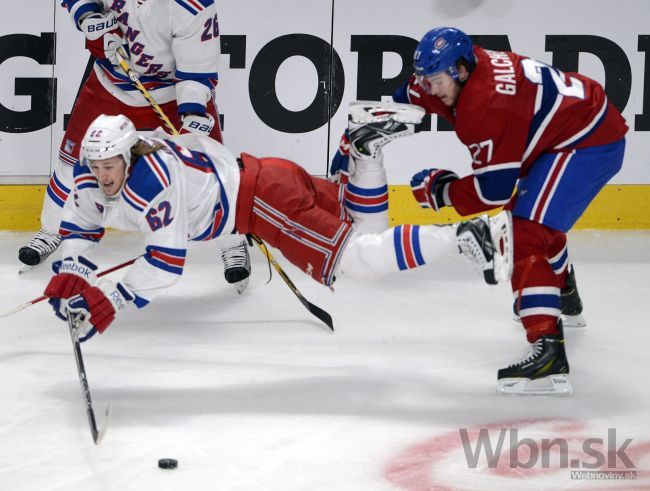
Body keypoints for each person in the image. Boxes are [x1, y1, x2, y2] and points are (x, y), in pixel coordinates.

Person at [43, 104, 513, 343]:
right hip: (269, 179)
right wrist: (70, 273)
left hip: (264, 201)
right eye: (97, 164)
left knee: (358, 261)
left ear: (129, 156)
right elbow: (77, 233)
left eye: (111, 165)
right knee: (367, 233)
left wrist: (108, 301)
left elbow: (165, 262)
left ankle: (466, 236)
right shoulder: (95, 172)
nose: (104, 175)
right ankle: (362, 148)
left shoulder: (152, 180)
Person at [331, 27, 627, 395]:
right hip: (563, 130)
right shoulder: (461, 70)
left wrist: (441, 191)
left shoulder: (486, 106)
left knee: (524, 233)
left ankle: (549, 353)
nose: (429, 88)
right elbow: (405, 99)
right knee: (535, 216)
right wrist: (356, 137)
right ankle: (562, 291)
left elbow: (492, 195)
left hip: (587, 141)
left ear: (460, 70)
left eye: (436, 80)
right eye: (426, 78)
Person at [19, 0, 251, 291]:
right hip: (110, 83)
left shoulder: (193, 6)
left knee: (213, 171)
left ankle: (233, 242)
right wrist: (88, 13)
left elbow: (198, 69)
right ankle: (52, 229)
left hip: (169, 93)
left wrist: (192, 114)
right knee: (73, 163)